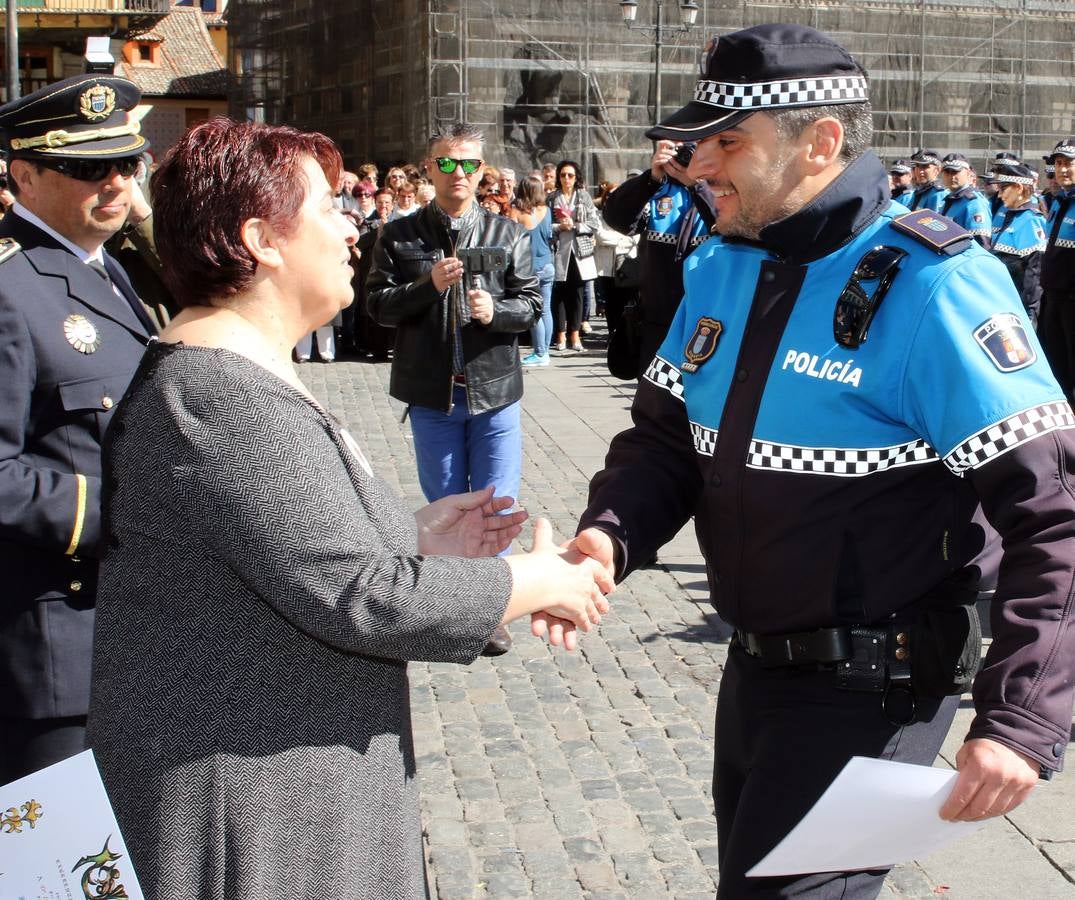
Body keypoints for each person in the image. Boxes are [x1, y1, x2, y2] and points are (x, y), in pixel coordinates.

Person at [570, 23, 1075, 899]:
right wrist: (606, 537)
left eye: (727, 142)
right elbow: (663, 439)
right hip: (754, 667)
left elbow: (1055, 509)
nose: (697, 165)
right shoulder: (720, 265)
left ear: (822, 143)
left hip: (875, 684)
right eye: (697, 142)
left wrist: (1022, 717)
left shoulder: (934, 282)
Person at [86, 118, 611, 900]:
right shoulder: (221, 394)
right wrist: (535, 581)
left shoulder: (232, 373)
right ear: (262, 239)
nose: (347, 231)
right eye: (328, 209)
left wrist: (412, 538)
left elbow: (284, 553)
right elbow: (359, 595)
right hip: (257, 800)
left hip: (283, 774)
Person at [0, 74, 156, 782]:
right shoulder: (10, 289)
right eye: (89, 169)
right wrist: (127, 511)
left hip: (119, 631)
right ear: (25, 176)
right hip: (50, 648)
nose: (116, 183)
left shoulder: (106, 268)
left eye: (127, 163)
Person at [366, 122, 540, 655]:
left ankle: (486, 611)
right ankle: (454, 606)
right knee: (446, 501)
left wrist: (499, 312)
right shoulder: (399, 235)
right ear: (428, 168)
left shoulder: (508, 233)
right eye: (447, 163)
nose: (458, 174)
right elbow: (376, 305)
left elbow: (531, 304)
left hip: (494, 392)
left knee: (495, 501)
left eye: (468, 164)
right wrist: (427, 285)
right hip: (433, 395)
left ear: (482, 170)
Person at [601, 139, 715, 376]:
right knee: (652, 403)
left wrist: (696, 185)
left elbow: (728, 227)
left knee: (698, 402)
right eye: (678, 147)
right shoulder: (658, 190)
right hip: (657, 320)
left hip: (707, 323)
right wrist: (651, 178)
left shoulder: (720, 188)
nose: (684, 155)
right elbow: (617, 218)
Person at [548, 159, 600, 351]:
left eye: (570, 175)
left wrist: (576, 226)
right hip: (559, 251)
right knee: (559, 294)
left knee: (578, 294)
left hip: (580, 252)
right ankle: (560, 336)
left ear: (576, 177)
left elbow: (595, 224)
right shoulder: (552, 198)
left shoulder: (584, 196)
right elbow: (546, 226)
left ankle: (575, 335)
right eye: (562, 175)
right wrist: (559, 226)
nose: (566, 179)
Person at [1039, 137, 1075, 399]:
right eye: (1059, 163)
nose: (1062, 169)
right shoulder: (1058, 201)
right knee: (1055, 365)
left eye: (1069, 164)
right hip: (1052, 298)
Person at [990, 163, 1046, 327]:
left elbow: (1035, 271)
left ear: (1019, 188)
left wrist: (1029, 311)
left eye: (1003, 189)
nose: (999, 195)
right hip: (1005, 299)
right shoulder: (1015, 217)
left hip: (1018, 306)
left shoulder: (1030, 220)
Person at [513, 173, 555, 367]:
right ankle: (544, 351)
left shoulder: (518, 211)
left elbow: (509, 235)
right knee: (545, 309)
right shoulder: (546, 210)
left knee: (534, 311)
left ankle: (540, 353)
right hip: (548, 264)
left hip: (530, 266)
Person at [940, 153, 991, 247]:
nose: (952, 177)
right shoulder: (949, 199)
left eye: (955, 172)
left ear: (968, 173)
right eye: (947, 172)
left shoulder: (974, 203)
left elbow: (981, 243)